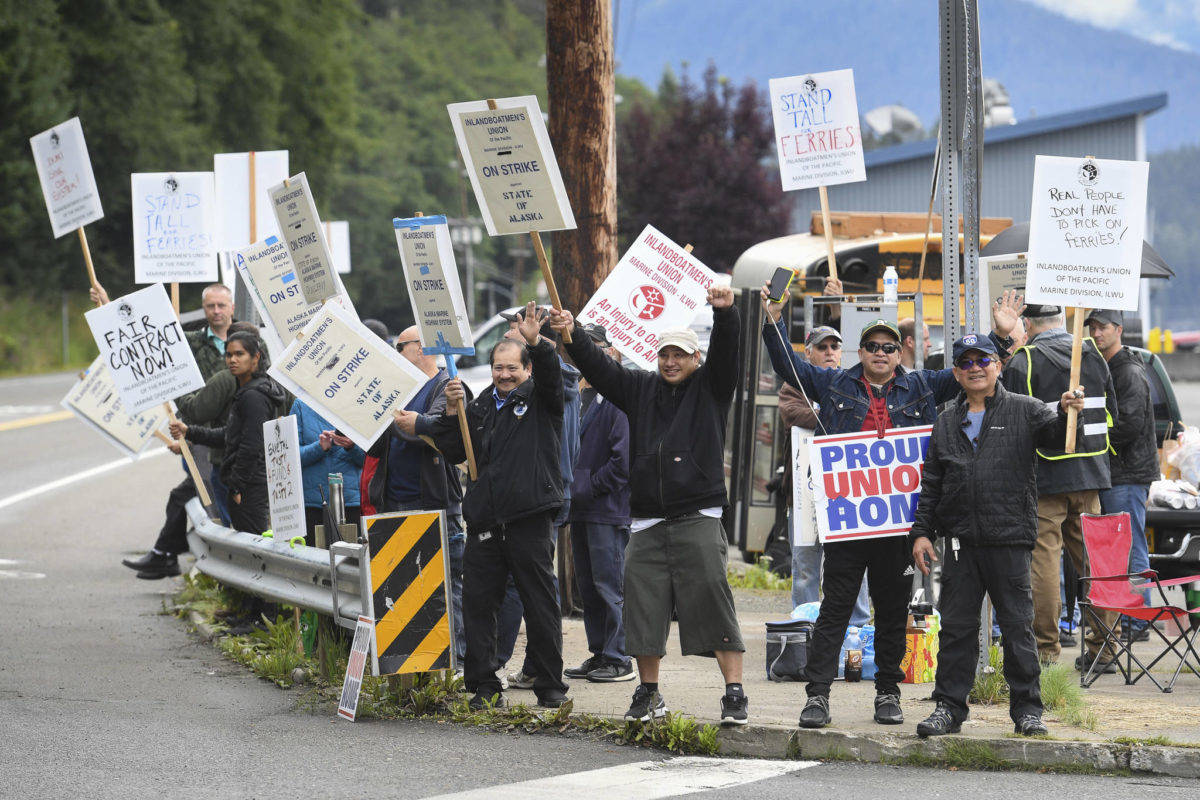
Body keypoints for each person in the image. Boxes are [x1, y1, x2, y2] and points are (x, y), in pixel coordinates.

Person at [760, 284, 1022, 730]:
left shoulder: (922, 385)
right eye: (871, 347)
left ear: (900, 353)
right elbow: (788, 365)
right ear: (859, 353)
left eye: (889, 347)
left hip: (898, 526)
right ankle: (818, 697)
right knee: (834, 610)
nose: (880, 353)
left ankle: (887, 692)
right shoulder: (835, 383)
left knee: (892, 611)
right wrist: (773, 320)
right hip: (848, 525)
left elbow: (971, 370)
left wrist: (1000, 339)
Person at [550, 285, 750, 727]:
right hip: (645, 521)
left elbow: (728, 354)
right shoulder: (639, 388)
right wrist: (573, 334)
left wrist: (725, 313)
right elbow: (599, 368)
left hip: (698, 514)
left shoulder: (712, 389)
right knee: (642, 607)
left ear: (695, 359)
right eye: (664, 355)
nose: (671, 362)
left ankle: (734, 693)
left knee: (714, 601)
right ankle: (649, 692)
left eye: (680, 355)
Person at [910, 334, 1085, 738]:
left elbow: (1058, 437)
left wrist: (1066, 409)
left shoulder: (1026, 409)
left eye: (982, 360)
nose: (975, 368)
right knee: (955, 629)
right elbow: (931, 483)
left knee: (1018, 628)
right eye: (966, 362)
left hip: (1008, 538)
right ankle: (948, 708)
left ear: (997, 366)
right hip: (958, 542)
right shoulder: (944, 420)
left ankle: (1027, 711)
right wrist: (921, 533)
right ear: (956, 372)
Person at [396, 302, 567, 710]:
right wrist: (454, 408)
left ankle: (550, 687)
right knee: (478, 604)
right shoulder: (483, 405)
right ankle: (483, 686)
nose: (505, 375)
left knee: (539, 604)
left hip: (529, 517)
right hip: (486, 520)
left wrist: (537, 343)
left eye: (513, 369)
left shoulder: (543, 399)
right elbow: (455, 447)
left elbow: (552, 375)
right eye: (498, 368)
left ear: (527, 370)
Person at [1001, 305, 1120, 671]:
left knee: (1044, 565)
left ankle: (1046, 651)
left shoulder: (1024, 361)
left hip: (1044, 478)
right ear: (1061, 320)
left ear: (1028, 324)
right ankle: (1104, 649)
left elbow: (1010, 420)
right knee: (1095, 565)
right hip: (1090, 476)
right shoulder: (1093, 355)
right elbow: (1110, 413)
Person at [111, 284, 239, 579]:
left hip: (235, 436)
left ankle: (167, 555)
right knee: (192, 494)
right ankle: (167, 555)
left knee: (198, 497)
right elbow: (143, 342)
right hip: (201, 436)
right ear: (204, 309)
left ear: (231, 307)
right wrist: (108, 305)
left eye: (221, 305)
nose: (216, 311)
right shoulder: (190, 342)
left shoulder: (245, 341)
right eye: (211, 306)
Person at [494, 307, 581, 689]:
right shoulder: (543, 377)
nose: (511, 334)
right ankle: (533, 667)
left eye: (515, 328)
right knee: (532, 583)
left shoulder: (553, 379)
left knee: (530, 585)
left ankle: (527, 667)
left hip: (542, 494)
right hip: (538, 492)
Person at [371, 326, 468, 664]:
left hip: (434, 501)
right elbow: (380, 441)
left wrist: (403, 420)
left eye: (400, 347)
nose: (396, 355)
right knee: (403, 587)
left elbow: (435, 429)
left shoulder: (446, 386)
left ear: (421, 348)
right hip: (395, 500)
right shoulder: (398, 388)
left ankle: (458, 661)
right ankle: (416, 663)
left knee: (446, 587)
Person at [779, 326, 870, 625]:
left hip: (848, 493)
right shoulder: (794, 385)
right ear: (808, 353)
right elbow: (794, 414)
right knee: (805, 566)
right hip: (804, 496)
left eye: (834, 346)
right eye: (822, 347)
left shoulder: (855, 382)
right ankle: (803, 628)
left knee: (853, 564)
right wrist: (839, 413)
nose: (830, 352)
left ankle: (856, 630)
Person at [562, 323, 634, 684]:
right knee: (588, 587)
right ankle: (599, 652)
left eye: (594, 347)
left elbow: (623, 462)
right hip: (580, 508)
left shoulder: (618, 398)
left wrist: (587, 487)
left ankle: (618, 656)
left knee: (609, 586)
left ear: (608, 352)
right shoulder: (574, 395)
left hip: (607, 509)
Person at [1086, 309, 1159, 639]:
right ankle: (1128, 618)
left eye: (1103, 327)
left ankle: (1137, 619)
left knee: (1131, 547)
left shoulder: (1126, 370)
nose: (1097, 333)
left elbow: (1129, 424)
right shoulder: (1108, 366)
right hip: (1117, 472)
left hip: (1128, 473)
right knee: (1119, 547)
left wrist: (1094, 440)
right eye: (1092, 327)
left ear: (1119, 329)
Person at [170, 332, 288, 536]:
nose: (232, 360)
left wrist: (237, 487)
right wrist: (190, 431)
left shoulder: (253, 396)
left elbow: (251, 446)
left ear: (256, 357)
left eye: (239, 354)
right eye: (229, 354)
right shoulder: (247, 390)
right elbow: (231, 435)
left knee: (253, 542)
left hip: (250, 487)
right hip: (247, 485)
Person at [292, 398, 365, 545]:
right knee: (315, 560)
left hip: (350, 501)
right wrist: (320, 447)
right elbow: (291, 457)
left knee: (351, 563)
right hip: (312, 503)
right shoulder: (301, 405)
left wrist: (351, 447)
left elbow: (369, 459)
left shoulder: (359, 403)